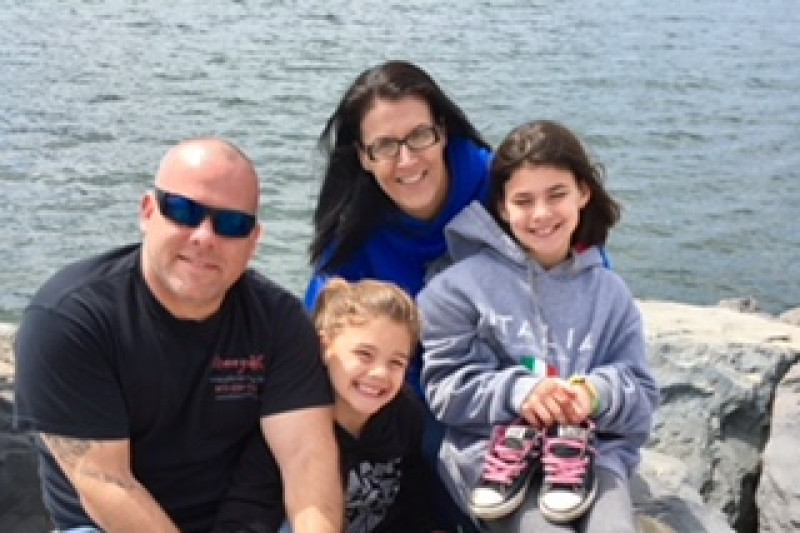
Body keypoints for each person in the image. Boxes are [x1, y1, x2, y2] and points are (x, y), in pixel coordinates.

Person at [13, 138, 343, 533]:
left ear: (253, 241)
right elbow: (106, 484)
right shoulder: (70, 319)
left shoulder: (279, 320)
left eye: (232, 224)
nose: (204, 237)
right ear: (148, 212)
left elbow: (306, 458)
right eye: (184, 211)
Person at [417, 120, 659, 532]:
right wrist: (523, 393)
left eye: (557, 194)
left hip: (593, 455)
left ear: (583, 193)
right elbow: (446, 390)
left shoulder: (611, 293)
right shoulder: (454, 289)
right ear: (502, 208)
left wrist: (593, 394)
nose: (541, 214)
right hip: (494, 459)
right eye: (524, 200)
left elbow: (642, 395)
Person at [303, 60, 493, 532]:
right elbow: (320, 337)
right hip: (412, 399)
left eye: (419, 136)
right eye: (385, 146)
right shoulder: (354, 231)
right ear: (363, 157)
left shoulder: (500, 187)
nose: (406, 161)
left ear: (442, 131)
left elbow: (575, 257)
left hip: (511, 383)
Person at [214, 278, 439, 533]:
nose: (380, 373)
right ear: (324, 347)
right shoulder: (289, 421)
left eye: (396, 362)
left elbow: (414, 503)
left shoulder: (405, 415)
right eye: (364, 355)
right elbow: (244, 516)